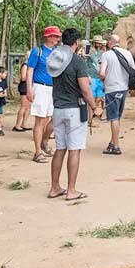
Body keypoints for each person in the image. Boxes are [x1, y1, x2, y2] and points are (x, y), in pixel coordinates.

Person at [46, 28, 101, 201]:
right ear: (76, 43)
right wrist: (95, 107)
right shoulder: (78, 62)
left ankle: (54, 187)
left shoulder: (55, 59)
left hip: (58, 109)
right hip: (74, 110)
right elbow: (85, 89)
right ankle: (71, 190)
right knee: (74, 150)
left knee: (60, 149)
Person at [27, 26, 61, 163]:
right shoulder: (38, 52)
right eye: (55, 36)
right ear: (48, 37)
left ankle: (44, 143)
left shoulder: (56, 53)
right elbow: (30, 70)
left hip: (52, 88)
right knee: (40, 121)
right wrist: (29, 89)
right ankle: (37, 151)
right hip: (40, 87)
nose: (57, 39)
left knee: (49, 119)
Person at [98, 34, 135, 155]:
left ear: (110, 42)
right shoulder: (127, 53)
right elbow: (132, 70)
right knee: (117, 117)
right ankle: (112, 142)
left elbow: (102, 73)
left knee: (113, 118)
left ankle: (116, 146)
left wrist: (104, 79)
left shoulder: (106, 55)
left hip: (111, 89)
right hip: (123, 89)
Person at [85, 35, 106, 126]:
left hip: (99, 77)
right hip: (91, 76)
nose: (99, 44)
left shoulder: (102, 52)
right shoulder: (88, 49)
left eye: (100, 43)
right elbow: (84, 59)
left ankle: (93, 114)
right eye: (97, 42)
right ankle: (90, 120)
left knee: (100, 97)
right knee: (91, 98)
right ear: (94, 42)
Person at [11, 57, 30, 132]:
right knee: (24, 106)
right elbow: (23, 78)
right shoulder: (25, 65)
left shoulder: (29, 66)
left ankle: (23, 124)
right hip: (24, 87)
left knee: (28, 107)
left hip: (28, 86)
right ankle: (17, 125)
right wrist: (31, 75)